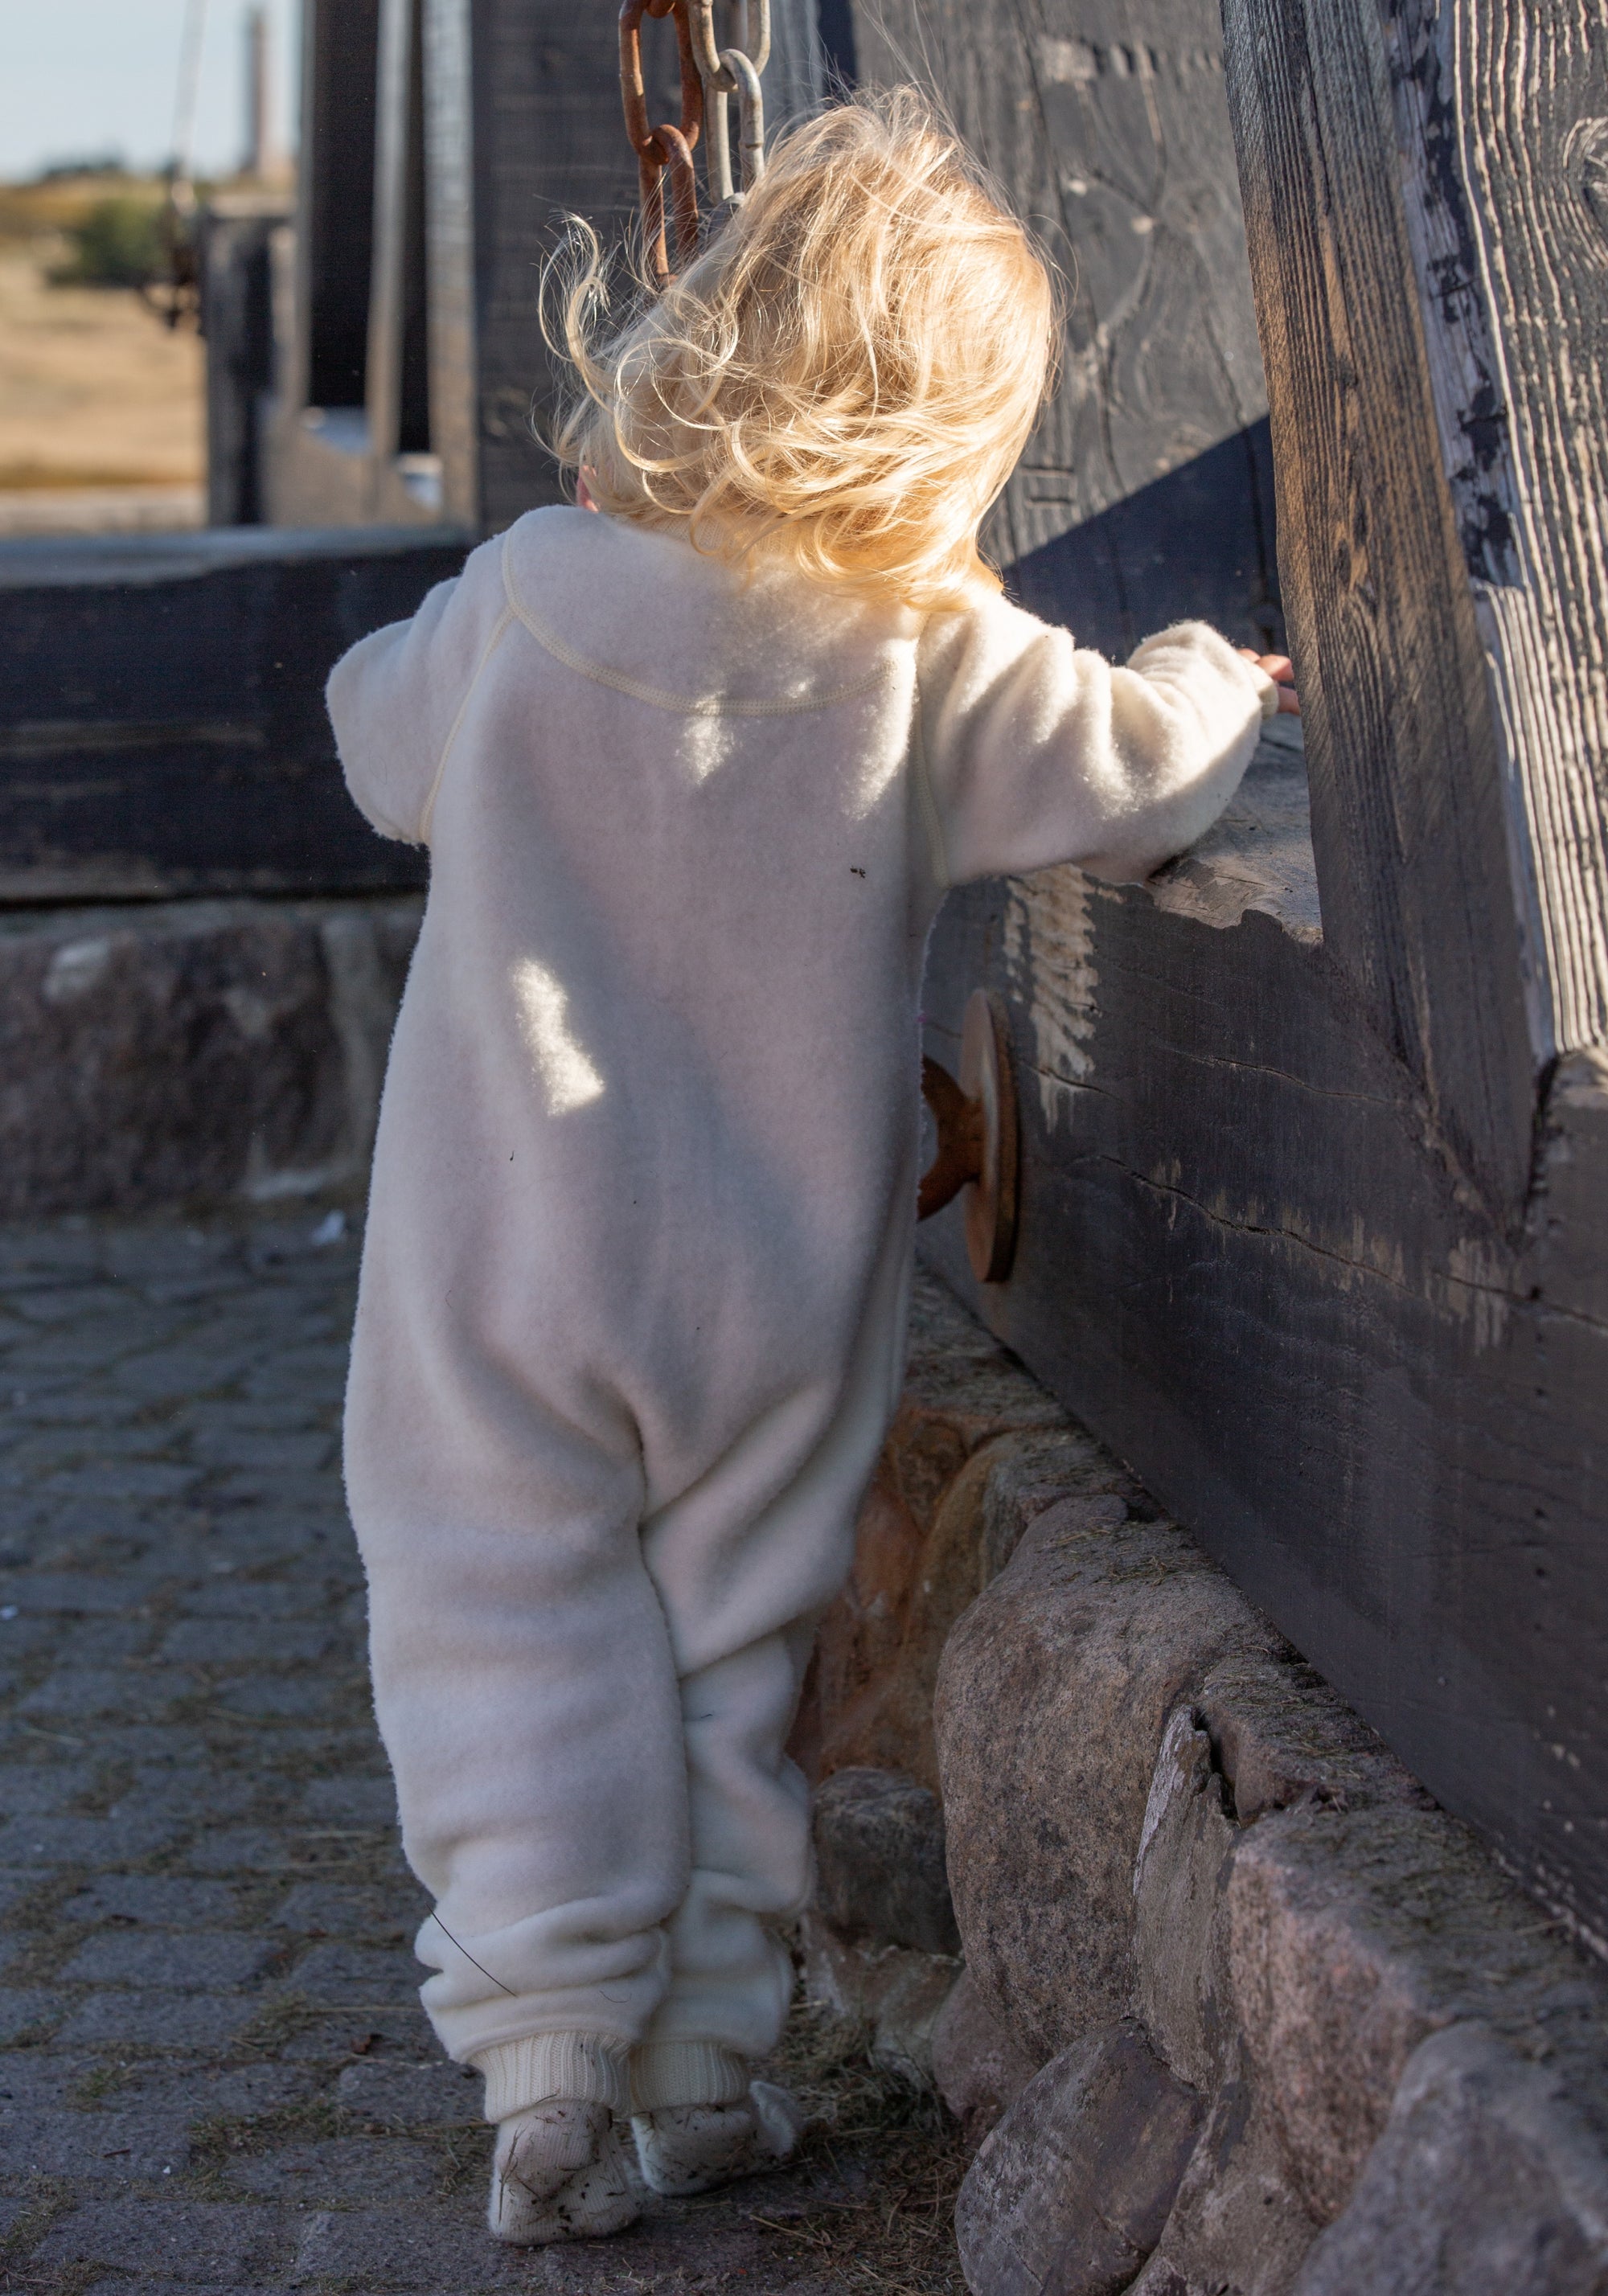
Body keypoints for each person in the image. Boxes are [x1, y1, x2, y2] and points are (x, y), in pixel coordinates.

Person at [325, 88, 1297, 2249]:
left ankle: (547, 2059)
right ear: (953, 439)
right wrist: (1211, 671)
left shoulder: (534, 595)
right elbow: (1140, 771)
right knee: (723, 1640)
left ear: (703, 335)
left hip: (500, 1251)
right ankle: (702, 2067)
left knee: (497, 1600)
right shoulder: (925, 651)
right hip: (770, 1278)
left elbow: (373, 733)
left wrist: (514, 604)